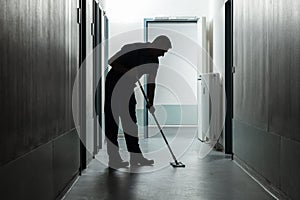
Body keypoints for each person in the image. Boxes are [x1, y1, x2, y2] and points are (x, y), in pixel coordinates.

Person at [105, 35, 172, 168]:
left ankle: (136, 157)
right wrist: (127, 71)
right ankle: (114, 159)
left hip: (128, 88)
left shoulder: (154, 62)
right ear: (156, 45)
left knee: (130, 124)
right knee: (113, 123)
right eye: (162, 51)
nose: (162, 55)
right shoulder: (134, 48)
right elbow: (111, 61)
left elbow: (152, 83)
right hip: (114, 86)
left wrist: (150, 102)